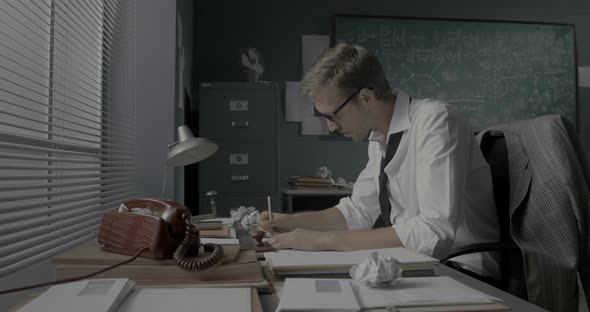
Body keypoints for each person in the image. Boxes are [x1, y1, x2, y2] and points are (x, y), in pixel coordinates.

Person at [258, 43, 500, 277]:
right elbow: (358, 211)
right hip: (417, 262)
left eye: (333, 115)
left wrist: (323, 239)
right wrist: (289, 222)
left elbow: (433, 232)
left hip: (459, 268)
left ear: (365, 97)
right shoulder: (380, 138)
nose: (331, 127)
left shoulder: (436, 122)